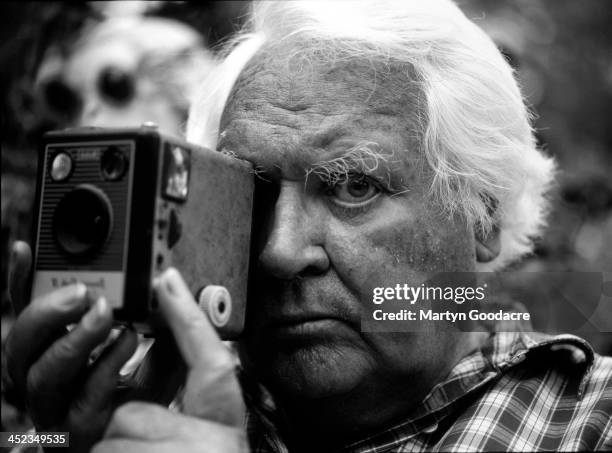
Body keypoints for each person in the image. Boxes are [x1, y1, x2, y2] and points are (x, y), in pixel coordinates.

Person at [4, 1, 612, 452]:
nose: (279, 251)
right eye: (257, 193)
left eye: (354, 185)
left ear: (481, 213)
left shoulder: (593, 423)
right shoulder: (155, 405)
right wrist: (52, 440)